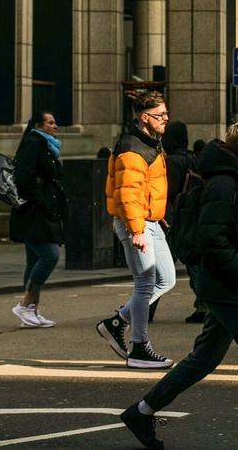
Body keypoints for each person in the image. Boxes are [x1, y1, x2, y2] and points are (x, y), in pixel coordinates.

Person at [119, 122, 238, 450]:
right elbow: (213, 239)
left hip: (226, 285)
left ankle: (142, 412)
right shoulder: (226, 184)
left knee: (204, 358)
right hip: (229, 288)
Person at [97, 91, 176, 369]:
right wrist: (137, 230)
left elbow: (146, 188)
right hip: (137, 224)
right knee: (144, 283)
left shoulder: (148, 141)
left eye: (166, 114)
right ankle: (140, 348)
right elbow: (128, 193)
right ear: (145, 117)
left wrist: (156, 215)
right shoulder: (132, 148)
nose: (166, 119)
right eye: (160, 115)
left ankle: (116, 322)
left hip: (149, 221)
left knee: (167, 279)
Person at [9, 111, 69, 328]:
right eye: (51, 122)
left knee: (34, 260)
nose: (56, 125)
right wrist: (41, 201)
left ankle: (31, 311)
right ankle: (25, 305)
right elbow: (23, 177)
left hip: (38, 211)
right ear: (38, 125)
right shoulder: (34, 143)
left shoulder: (46, 145)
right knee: (50, 255)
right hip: (33, 213)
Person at [162, 121, 203, 325]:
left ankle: (144, 308)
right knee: (194, 263)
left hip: (176, 219)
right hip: (194, 217)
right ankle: (204, 304)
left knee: (159, 267)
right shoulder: (193, 159)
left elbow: (167, 193)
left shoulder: (172, 162)